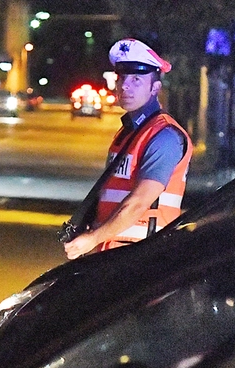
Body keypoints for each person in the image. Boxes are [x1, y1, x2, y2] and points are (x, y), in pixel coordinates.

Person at [64, 38, 192, 259]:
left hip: (145, 258)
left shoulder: (165, 136)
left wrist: (93, 239)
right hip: (118, 254)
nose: (125, 86)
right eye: (122, 78)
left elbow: (138, 203)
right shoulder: (129, 132)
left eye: (136, 79)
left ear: (155, 88)